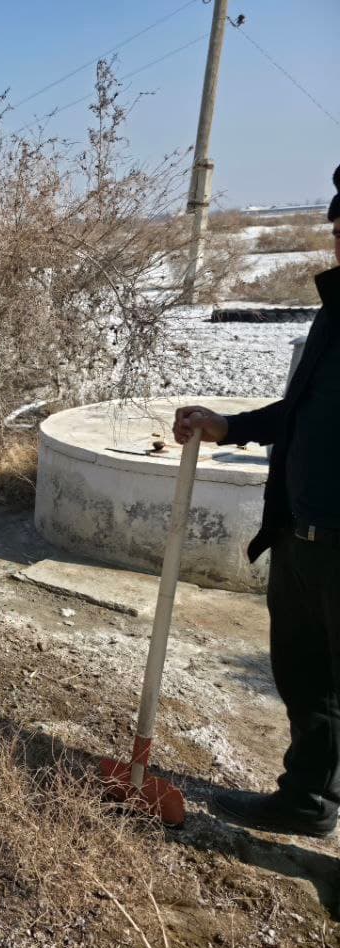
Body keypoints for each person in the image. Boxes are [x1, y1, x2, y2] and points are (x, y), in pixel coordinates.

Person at [173, 165, 340, 837]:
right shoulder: (336, 315)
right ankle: (307, 801)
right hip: (304, 536)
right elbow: (304, 412)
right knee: (306, 682)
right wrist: (231, 427)